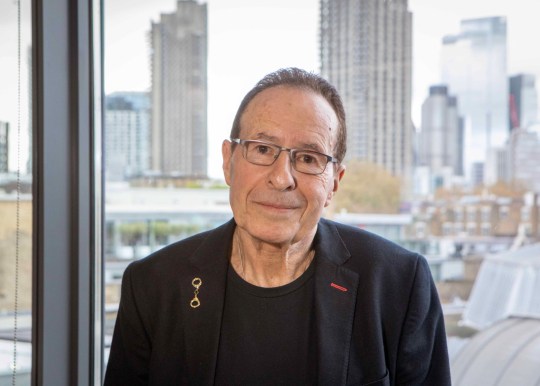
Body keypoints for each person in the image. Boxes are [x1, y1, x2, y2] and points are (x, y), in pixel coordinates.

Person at [104, 67, 451, 385]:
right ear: (228, 162)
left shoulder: (399, 285)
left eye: (308, 158)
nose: (282, 178)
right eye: (262, 149)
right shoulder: (153, 286)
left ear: (334, 182)